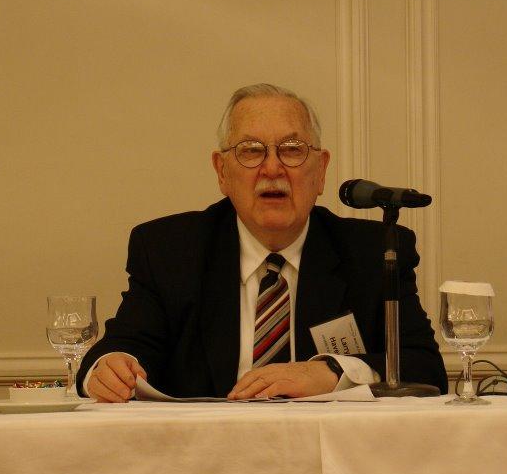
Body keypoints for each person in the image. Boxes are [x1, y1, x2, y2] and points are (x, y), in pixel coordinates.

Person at [76, 83, 446, 402]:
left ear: (321, 171)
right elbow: (121, 348)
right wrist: (109, 368)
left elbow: (426, 368)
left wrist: (333, 372)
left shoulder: (373, 252)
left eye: (292, 149)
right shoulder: (170, 251)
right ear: (222, 172)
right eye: (251, 150)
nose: (272, 168)